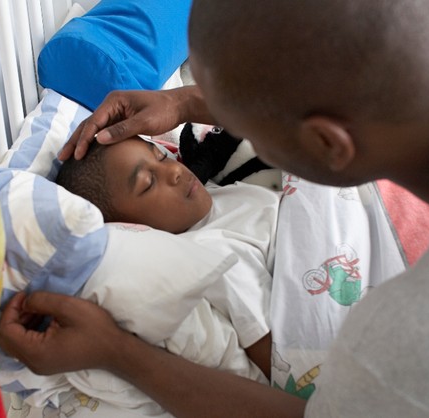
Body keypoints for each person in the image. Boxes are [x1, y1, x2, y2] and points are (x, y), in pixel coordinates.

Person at [0, 0, 429, 416]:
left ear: (326, 147)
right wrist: (189, 104)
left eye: (248, 126)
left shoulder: (425, 351)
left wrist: (115, 352)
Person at [54, 135, 278, 377]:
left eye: (160, 155)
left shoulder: (209, 194)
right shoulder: (213, 258)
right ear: (129, 227)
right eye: (148, 183)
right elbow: (281, 362)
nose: (173, 170)